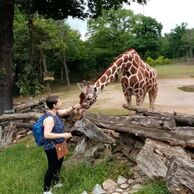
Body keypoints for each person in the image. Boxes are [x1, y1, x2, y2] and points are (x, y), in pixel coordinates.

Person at [42, 95, 81, 194]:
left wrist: (73, 107)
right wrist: (64, 135)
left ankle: (56, 182)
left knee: (59, 164)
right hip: (52, 147)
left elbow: (66, 111)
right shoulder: (50, 119)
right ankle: (46, 190)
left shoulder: (56, 113)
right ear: (54, 105)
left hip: (61, 145)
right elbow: (46, 134)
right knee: (52, 167)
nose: (61, 103)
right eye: (59, 102)